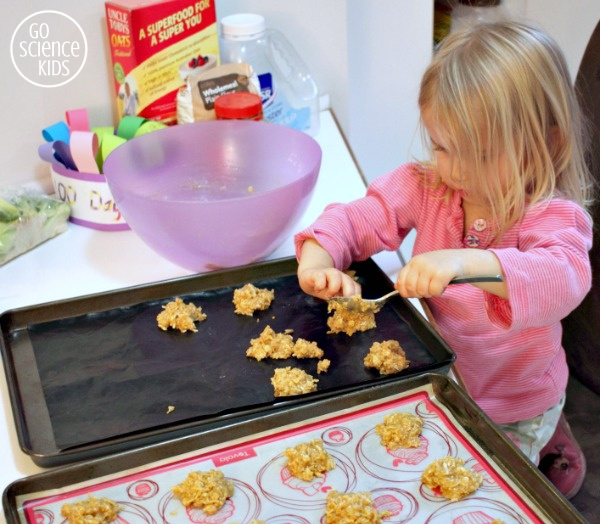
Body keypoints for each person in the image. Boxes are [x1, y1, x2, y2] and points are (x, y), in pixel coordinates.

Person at [295, 20, 593, 499]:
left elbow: (565, 278)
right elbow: (361, 217)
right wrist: (318, 261)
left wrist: (465, 264)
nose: (451, 168)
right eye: (440, 145)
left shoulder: (552, 216)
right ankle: (554, 438)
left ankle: (549, 439)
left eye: (475, 153)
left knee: (486, 492)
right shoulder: (429, 185)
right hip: (450, 378)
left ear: (548, 144)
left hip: (518, 400)